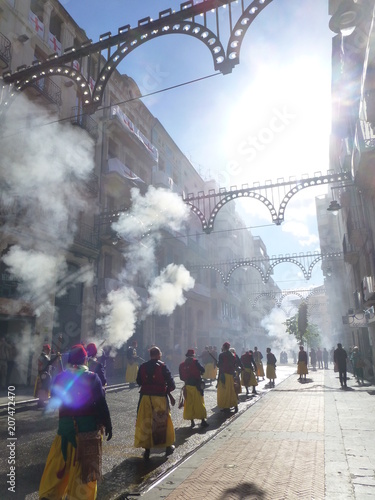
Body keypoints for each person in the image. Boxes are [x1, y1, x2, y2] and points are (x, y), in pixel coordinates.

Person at [38, 344, 112, 500]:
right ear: (85, 359)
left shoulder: (60, 377)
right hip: (87, 434)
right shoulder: (92, 377)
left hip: (65, 431)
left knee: (58, 468)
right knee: (84, 473)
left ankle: (50, 495)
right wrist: (107, 423)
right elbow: (101, 404)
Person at [134, 346, 176, 460]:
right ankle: (167, 446)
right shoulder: (163, 366)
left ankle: (147, 449)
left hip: (146, 398)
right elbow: (172, 385)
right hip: (159, 398)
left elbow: (138, 381)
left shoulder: (143, 366)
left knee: (145, 421)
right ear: (159, 354)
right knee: (163, 422)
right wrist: (166, 390)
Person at [179, 349, 208, 429]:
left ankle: (192, 422)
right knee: (199, 403)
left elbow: (181, 377)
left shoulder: (182, 365)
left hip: (187, 386)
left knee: (189, 404)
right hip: (196, 386)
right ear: (193, 355)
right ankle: (202, 421)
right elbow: (203, 370)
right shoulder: (195, 362)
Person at [34, 344, 60, 408]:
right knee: (43, 388)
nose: (49, 351)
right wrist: (56, 356)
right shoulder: (43, 356)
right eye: (48, 350)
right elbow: (48, 363)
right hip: (43, 374)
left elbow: (47, 364)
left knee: (44, 388)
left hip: (44, 374)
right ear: (45, 349)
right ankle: (40, 402)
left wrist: (51, 367)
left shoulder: (44, 356)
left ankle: (42, 401)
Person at [217, 342, 238, 413]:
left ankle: (226, 406)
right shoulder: (233, 355)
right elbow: (234, 365)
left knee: (224, 391)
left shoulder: (221, 355)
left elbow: (220, 365)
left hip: (224, 375)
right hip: (231, 375)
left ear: (223, 347)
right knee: (231, 391)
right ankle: (234, 405)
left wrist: (218, 364)